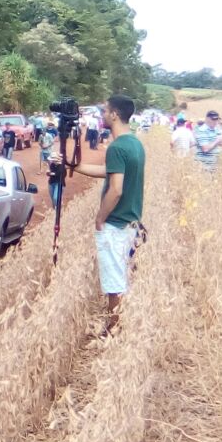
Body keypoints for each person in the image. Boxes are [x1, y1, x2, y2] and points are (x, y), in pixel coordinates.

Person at [74, 95, 146, 333]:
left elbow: (116, 189)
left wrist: (100, 218)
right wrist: (77, 167)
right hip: (131, 222)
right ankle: (119, 324)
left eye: (105, 111)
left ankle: (114, 329)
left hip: (115, 224)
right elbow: (111, 171)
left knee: (114, 282)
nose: (102, 115)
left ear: (114, 115)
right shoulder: (134, 143)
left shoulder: (116, 147)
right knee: (122, 274)